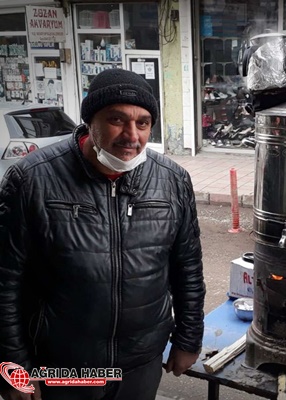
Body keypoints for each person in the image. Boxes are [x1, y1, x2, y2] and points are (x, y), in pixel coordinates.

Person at [0, 68, 206, 400]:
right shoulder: (31, 179)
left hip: (140, 363)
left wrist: (188, 339)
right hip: (62, 364)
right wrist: (13, 367)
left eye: (142, 123)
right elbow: (6, 281)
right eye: (117, 119)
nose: (131, 136)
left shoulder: (172, 181)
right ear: (90, 121)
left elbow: (188, 269)